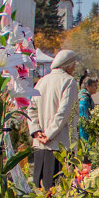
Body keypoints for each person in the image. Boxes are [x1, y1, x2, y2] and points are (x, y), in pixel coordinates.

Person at [27, 49, 80, 187]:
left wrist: (36, 131)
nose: (74, 68)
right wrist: (49, 134)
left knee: (43, 189)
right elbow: (64, 112)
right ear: (68, 65)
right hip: (60, 144)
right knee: (60, 190)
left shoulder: (41, 81)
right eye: (74, 65)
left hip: (40, 143)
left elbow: (31, 108)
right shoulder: (69, 82)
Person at [77, 76, 94, 143]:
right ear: (88, 86)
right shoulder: (84, 98)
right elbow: (83, 119)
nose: (96, 88)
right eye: (94, 86)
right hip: (83, 131)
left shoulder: (82, 95)